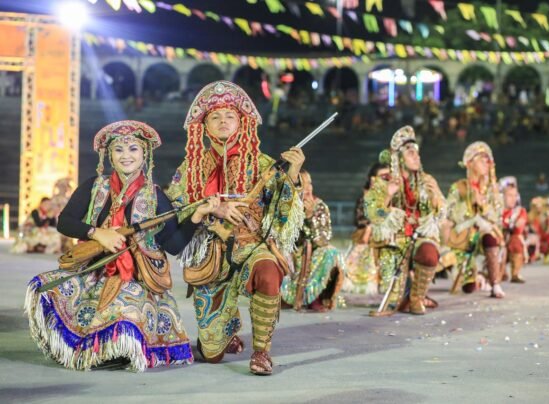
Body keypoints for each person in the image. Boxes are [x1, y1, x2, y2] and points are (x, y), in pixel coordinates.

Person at [24, 120, 216, 371]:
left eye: (133, 149)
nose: (126, 156)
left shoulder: (155, 196)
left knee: (126, 312)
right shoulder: (94, 186)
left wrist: (197, 216)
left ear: (144, 155)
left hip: (137, 277)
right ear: (110, 156)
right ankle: (87, 348)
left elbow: (173, 245)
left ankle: (115, 349)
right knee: (44, 288)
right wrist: (98, 233)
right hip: (93, 270)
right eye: (119, 150)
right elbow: (65, 222)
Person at [166, 81, 305, 375]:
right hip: (210, 252)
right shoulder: (190, 167)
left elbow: (283, 215)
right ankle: (226, 328)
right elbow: (176, 208)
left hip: (251, 245)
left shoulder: (264, 164)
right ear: (204, 126)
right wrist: (212, 209)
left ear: (241, 122)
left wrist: (293, 176)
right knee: (211, 355)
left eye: (230, 116)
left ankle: (261, 352)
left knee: (269, 272)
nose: (223, 122)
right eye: (215, 117)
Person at [365, 126, 446, 315]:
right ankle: (405, 296)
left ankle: (417, 298)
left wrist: (435, 199)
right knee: (396, 300)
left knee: (429, 254)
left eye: (417, 153)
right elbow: (372, 214)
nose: (417, 157)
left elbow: (441, 213)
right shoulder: (384, 181)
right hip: (393, 242)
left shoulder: (427, 180)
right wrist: (388, 195)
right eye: (411, 153)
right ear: (400, 158)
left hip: (419, 235)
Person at [445, 141, 505, 298]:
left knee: (490, 237)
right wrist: (469, 207)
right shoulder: (458, 187)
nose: (486, 163)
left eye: (487, 160)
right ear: (470, 163)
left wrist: (483, 206)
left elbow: (498, 216)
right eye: (481, 159)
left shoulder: (492, 190)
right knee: (469, 287)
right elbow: (449, 213)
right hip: (463, 239)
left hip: (484, 235)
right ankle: (472, 275)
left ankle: (495, 283)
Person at [281, 170, 345, 312]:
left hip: (314, 256)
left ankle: (315, 297)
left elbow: (323, 240)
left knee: (331, 253)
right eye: (302, 184)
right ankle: (285, 297)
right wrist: (299, 214)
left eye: (309, 183)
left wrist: (309, 217)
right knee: (279, 251)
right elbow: (285, 236)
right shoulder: (285, 206)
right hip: (291, 254)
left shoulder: (320, 206)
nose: (308, 187)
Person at [343, 152, 390, 295]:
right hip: (368, 239)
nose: (387, 180)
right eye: (384, 177)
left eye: (389, 177)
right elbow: (362, 221)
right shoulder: (366, 197)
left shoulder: (393, 196)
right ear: (372, 179)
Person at [499, 176, 527, 283]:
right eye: (510, 195)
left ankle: (515, 273)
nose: (513, 198)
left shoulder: (519, 211)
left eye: (515, 195)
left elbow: (517, 230)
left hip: (509, 242)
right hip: (497, 243)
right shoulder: (495, 210)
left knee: (516, 241)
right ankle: (499, 271)